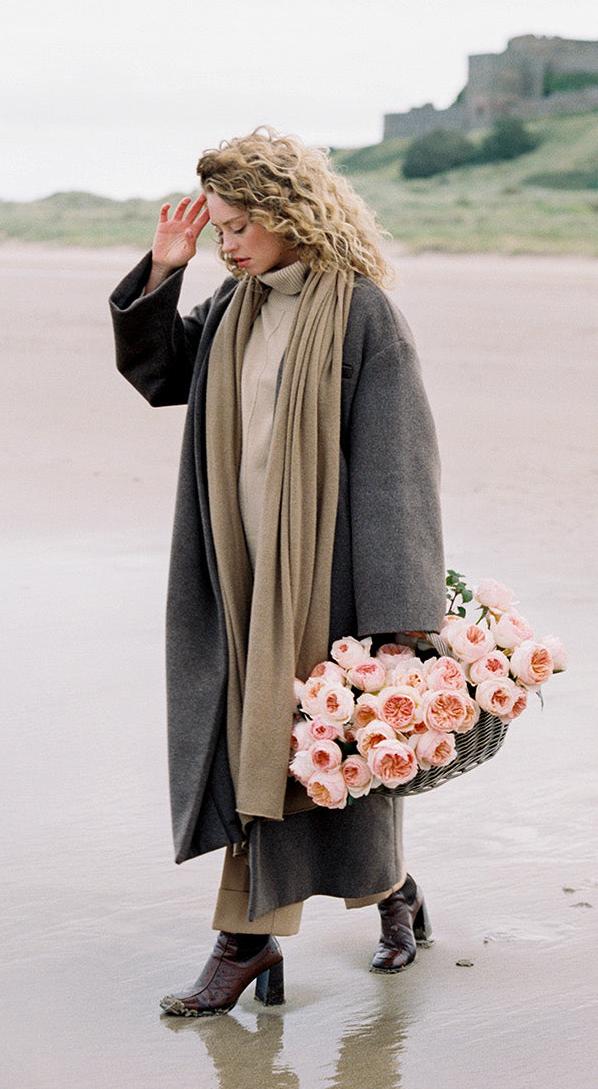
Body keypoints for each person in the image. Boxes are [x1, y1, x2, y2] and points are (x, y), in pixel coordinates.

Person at [109, 127, 446, 1016]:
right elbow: (158, 374)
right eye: (215, 230)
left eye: (234, 227)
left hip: (323, 577)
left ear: (288, 213)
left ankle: (251, 943)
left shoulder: (361, 312)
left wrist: (400, 619)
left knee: (322, 756)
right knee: (258, 751)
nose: (226, 244)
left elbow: (397, 467)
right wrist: (164, 270)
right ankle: (380, 899)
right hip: (237, 569)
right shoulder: (233, 305)